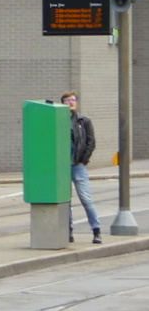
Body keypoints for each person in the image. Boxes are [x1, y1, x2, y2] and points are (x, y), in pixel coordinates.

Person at [62, 91, 102, 244]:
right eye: (67, 100)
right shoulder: (59, 120)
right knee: (66, 200)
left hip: (77, 165)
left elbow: (91, 142)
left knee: (85, 198)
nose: (70, 103)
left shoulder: (84, 121)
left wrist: (83, 160)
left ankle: (96, 230)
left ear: (76, 102)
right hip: (63, 167)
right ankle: (68, 230)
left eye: (72, 100)